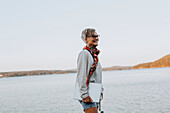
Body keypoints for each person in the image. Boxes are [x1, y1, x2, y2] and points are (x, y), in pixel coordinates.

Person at [75, 28, 104, 113]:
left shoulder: (94, 56)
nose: (97, 38)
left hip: (94, 94)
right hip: (88, 95)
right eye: (93, 36)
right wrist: (84, 95)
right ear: (86, 39)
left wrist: (100, 92)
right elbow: (81, 75)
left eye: (97, 36)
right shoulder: (84, 54)